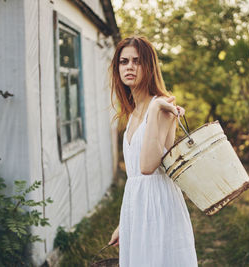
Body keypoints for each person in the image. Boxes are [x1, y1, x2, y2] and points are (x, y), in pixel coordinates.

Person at [108, 36, 198, 267]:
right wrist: (124, 223)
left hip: (159, 206)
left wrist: (156, 107)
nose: (129, 67)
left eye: (137, 61)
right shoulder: (132, 112)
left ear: (149, 66)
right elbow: (135, 179)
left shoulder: (163, 107)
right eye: (123, 61)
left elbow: (147, 167)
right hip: (137, 207)